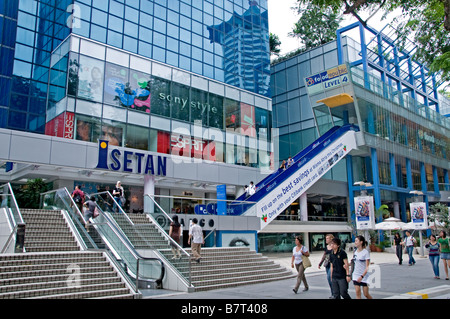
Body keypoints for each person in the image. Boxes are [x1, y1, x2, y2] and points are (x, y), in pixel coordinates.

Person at [318, 234, 334, 298]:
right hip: (327, 264)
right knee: (329, 280)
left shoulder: (333, 246)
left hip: (332, 264)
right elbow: (324, 255)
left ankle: (334, 292)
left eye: (327, 238)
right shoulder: (326, 247)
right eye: (326, 238)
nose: (326, 240)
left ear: (331, 239)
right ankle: (332, 292)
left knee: (329, 277)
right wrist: (320, 263)